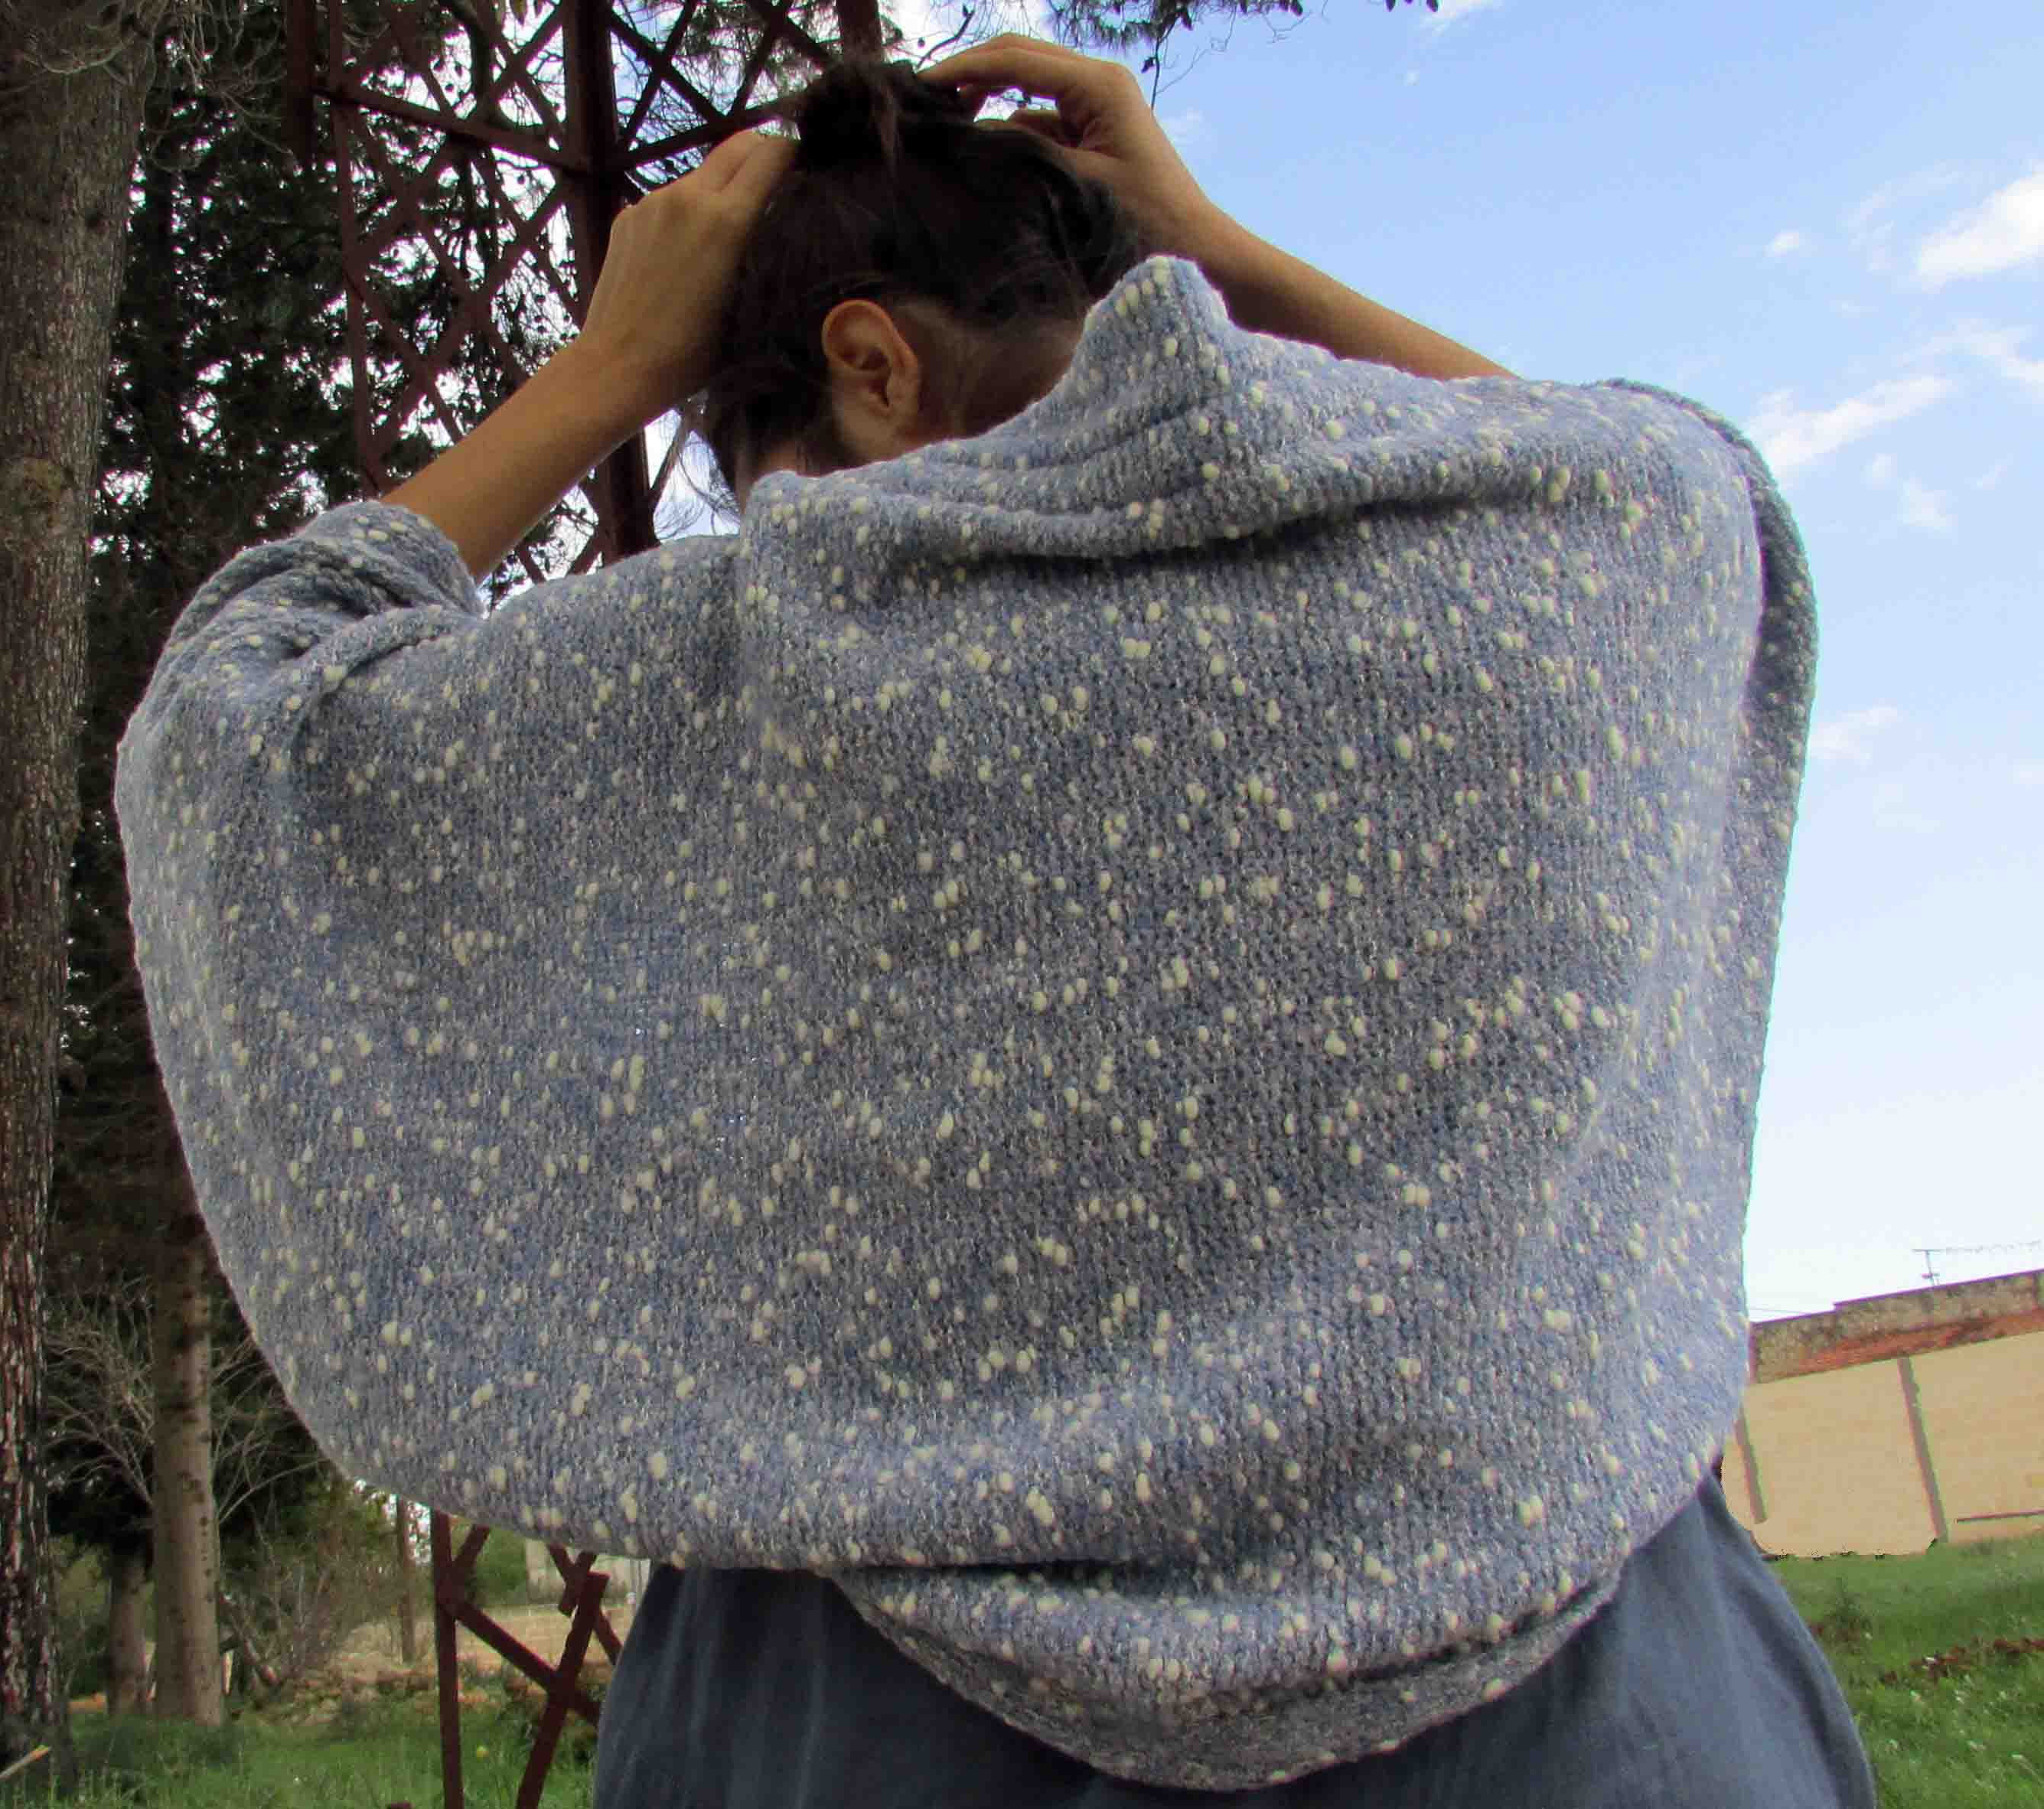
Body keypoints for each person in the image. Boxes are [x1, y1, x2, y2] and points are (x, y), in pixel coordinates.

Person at [116, 34, 1870, 1808]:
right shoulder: (1556, 582)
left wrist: (606, 371)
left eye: (770, 487)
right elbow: (1663, 470)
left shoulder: (745, 675)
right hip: (1592, 1720)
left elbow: (231, 723)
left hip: (866, 1733)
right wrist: (1223, 256)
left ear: (871, 366)